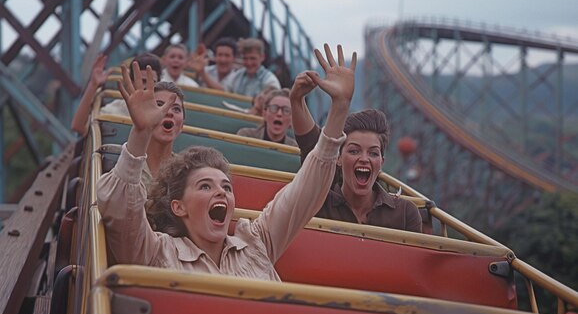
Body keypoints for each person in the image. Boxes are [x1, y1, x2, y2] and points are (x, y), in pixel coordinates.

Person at [97, 44, 356, 279]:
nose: (221, 191)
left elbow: (304, 192)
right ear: (178, 207)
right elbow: (120, 210)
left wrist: (339, 110)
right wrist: (140, 133)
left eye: (227, 187)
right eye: (205, 186)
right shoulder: (156, 252)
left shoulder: (256, 242)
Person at [290, 71, 422, 233]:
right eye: (354, 151)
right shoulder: (319, 203)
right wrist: (296, 100)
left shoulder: (405, 213)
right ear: (337, 158)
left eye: (373, 153)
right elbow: (310, 144)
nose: (364, 159)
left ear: (381, 162)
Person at [100, 52, 163, 117]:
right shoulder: (112, 110)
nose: (147, 87)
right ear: (131, 82)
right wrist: (93, 85)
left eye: (152, 83)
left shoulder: (163, 114)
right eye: (143, 81)